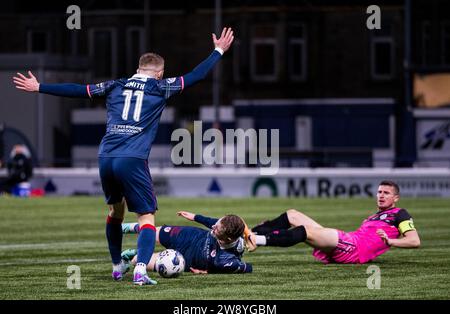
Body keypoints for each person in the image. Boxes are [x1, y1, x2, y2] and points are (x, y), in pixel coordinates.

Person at [13, 27, 235, 285]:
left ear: (138, 68)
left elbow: (77, 89)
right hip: (132, 159)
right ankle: (140, 269)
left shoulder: (114, 85)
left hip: (106, 156)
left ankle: (118, 265)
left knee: (115, 211)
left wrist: (39, 86)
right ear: (159, 72)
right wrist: (218, 50)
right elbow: (195, 76)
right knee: (147, 217)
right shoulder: (162, 87)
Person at [251, 180, 421, 264]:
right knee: (292, 214)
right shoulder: (372, 217)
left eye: (386, 193)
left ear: (396, 198)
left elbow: (414, 241)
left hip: (352, 248)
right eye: (379, 192)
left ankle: (257, 240)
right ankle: (251, 232)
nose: (381, 195)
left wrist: (390, 241)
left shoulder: (400, 214)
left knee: (305, 231)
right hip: (347, 242)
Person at [120, 211, 253, 274]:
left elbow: (248, 268)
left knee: (137, 261)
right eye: (216, 224)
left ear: (228, 239)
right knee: (150, 231)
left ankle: (132, 255)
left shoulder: (224, 261)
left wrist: (206, 272)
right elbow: (212, 222)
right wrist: (195, 217)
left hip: (181, 259)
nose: (213, 227)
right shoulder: (226, 228)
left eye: (217, 229)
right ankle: (121, 228)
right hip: (188, 235)